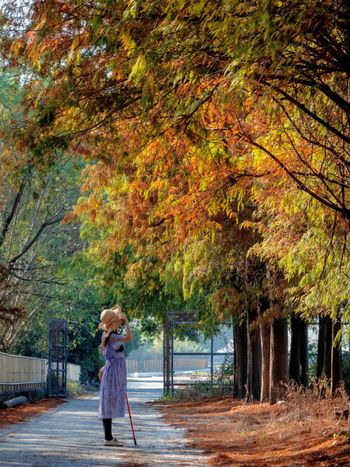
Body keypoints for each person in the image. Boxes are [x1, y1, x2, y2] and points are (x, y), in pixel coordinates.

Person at [98, 304, 132, 446]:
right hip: (113, 374)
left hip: (110, 371)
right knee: (108, 404)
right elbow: (129, 337)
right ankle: (108, 439)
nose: (120, 320)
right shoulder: (113, 337)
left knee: (108, 404)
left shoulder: (107, 335)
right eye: (117, 319)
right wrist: (127, 322)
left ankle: (109, 438)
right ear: (113, 322)